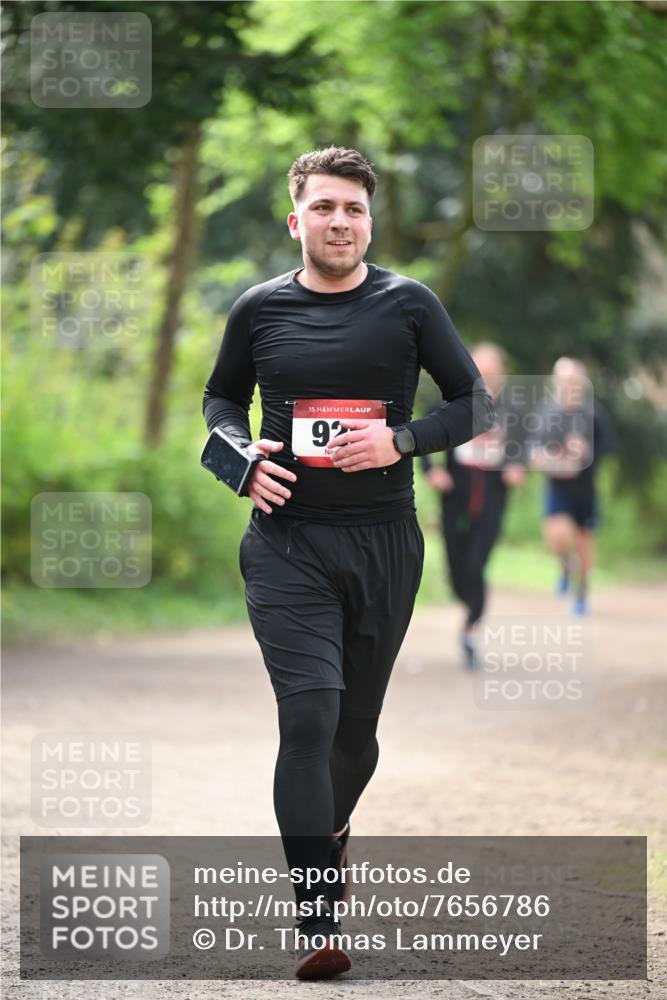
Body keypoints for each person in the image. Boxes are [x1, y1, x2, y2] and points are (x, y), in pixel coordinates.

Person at [202, 146, 495, 980]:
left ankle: (328, 836)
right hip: (286, 543)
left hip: (384, 545)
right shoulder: (257, 310)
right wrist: (238, 458)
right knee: (309, 718)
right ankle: (318, 920)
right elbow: (220, 402)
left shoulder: (408, 304)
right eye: (324, 208)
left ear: (369, 221)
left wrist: (399, 439)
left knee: (355, 734)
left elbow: (472, 400)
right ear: (295, 220)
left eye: (354, 210)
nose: (340, 222)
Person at [421, 343, 526, 668]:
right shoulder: (458, 399)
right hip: (456, 494)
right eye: (480, 369)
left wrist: (517, 465)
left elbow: (524, 444)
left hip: (493, 496)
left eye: (492, 370)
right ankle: (469, 605)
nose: (486, 375)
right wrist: (433, 470)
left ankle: (470, 629)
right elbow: (424, 430)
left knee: (476, 564)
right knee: (456, 568)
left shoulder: (513, 407)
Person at [529, 357, 615, 615]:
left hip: (585, 488)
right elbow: (532, 447)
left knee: (583, 541)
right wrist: (541, 457)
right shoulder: (545, 411)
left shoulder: (593, 413)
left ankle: (581, 594)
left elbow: (608, 446)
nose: (568, 384)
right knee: (557, 537)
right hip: (557, 486)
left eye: (573, 380)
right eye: (563, 379)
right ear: (555, 381)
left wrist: (588, 451)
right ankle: (566, 565)